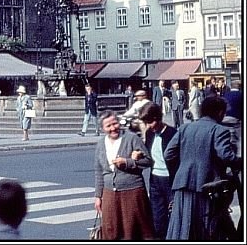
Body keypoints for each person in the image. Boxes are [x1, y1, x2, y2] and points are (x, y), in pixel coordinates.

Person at [165, 96, 238, 240]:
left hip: (183, 185)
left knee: (183, 227)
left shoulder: (185, 128)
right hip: (206, 186)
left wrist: (184, 167)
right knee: (206, 227)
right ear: (219, 112)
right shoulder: (219, 130)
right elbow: (226, 156)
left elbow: (168, 154)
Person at [93, 110, 155, 240]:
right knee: (111, 229)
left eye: (115, 124)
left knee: (132, 231)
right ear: (103, 128)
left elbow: (148, 161)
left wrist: (127, 162)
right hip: (109, 193)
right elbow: (99, 171)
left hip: (132, 191)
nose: (113, 128)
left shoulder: (132, 138)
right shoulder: (100, 144)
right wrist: (98, 196)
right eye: (108, 126)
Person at [138, 101, 178, 239]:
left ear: (157, 118)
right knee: (157, 218)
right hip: (155, 179)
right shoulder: (149, 133)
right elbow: (149, 154)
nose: (148, 126)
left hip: (170, 180)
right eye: (146, 123)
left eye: (150, 122)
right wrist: (140, 154)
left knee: (174, 216)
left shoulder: (172, 133)